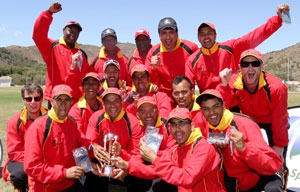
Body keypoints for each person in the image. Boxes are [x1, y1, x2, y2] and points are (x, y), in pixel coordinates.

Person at [219, 48, 289, 190]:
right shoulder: (233, 81)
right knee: (250, 157)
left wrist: (279, 145)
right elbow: (223, 108)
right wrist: (224, 85)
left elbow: (280, 119)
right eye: (245, 64)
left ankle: (278, 184)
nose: (250, 68)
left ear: (262, 66)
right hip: (249, 124)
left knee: (277, 161)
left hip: (271, 123)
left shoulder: (276, 87)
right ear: (240, 68)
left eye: (254, 63)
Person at [185, 4, 290, 93]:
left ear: (215, 35)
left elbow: (255, 36)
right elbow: (188, 88)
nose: (206, 37)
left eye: (209, 33)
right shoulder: (192, 60)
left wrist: (278, 20)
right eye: (202, 34)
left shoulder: (231, 48)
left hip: (234, 101)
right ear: (198, 37)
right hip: (210, 107)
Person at [196, 89, 284, 191]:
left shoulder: (244, 124)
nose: (211, 112)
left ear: (223, 106)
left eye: (216, 106)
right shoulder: (204, 126)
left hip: (259, 177)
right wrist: (213, 148)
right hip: (235, 182)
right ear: (201, 111)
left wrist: (244, 148)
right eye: (206, 109)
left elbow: (273, 165)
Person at [138, 107, 226, 192]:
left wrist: (153, 159)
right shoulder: (177, 148)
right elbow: (157, 166)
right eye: (173, 124)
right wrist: (129, 164)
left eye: (182, 123)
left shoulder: (203, 146)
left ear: (192, 126)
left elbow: (187, 178)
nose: (177, 129)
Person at [24, 84, 89, 192]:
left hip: (69, 184)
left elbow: (79, 145)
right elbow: (31, 167)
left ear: (71, 103)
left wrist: (87, 166)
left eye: (67, 100)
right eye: (59, 100)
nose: (63, 105)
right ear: (52, 102)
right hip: (46, 187)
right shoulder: (38, 127)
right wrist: (64, 173)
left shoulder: (71, 123)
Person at [85, 88, 148, 192]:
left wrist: (127, 169)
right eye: (108, 102)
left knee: (139, 181)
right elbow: (89, 141)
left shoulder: (133, 122)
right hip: (102, 164)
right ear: (103, 105)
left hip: (123, 163)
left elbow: (137, 152)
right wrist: (94, 148)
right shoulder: (96, 118)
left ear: (122, 102)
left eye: (116, 101)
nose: (112, 106)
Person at [33, 2, 92, 106]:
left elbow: (86, 78)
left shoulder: (82, 54)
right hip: (56, 99)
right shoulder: (52, 47)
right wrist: (48, 13)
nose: (74, 34)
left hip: (75, 101)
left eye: (77, 32)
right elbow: (38, 35)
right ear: (63, 30)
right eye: (71, 30)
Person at [113, 96, 177, 192]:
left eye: (151, 110)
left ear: (157, 111)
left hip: (165, 170)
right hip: (145, 169)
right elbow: (135, 155)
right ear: (138, 115)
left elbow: (172, 157)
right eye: (143, 112)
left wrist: (151, 155)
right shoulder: (137, 128)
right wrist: (121, 152)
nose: (148, 115)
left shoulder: (169, 127)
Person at [2, 83, 47, 192]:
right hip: (24, 159)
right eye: (28, 99)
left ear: (41, 99)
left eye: (36, 98)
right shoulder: (14, 122)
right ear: (23, 100)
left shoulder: (50, 117)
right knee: (18, 175)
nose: (33, 102)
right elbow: (14, 153)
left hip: (47, 157)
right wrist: (34, 160)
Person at [145, 17, 198, 97]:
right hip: (165, 97)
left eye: (171, 32)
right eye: (164, 33)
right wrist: (154, 69)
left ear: (177, 33)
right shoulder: (153, 52)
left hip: (186, 95)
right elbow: (148, 80)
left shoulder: (191, 48)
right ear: (159, 35)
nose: (168, 37)